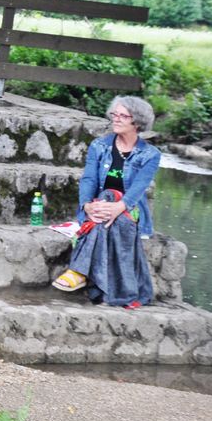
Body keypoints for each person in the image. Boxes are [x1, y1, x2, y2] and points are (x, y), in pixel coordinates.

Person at [52, 96, 161, 309]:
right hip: (98, 207)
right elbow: (89, 179)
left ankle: (79, 272)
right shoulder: (99, 145)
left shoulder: (151, 154)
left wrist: (118, 207)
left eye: (123, 116)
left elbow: (139, 188)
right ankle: (101, 286)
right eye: (114, 114)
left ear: (137, 122)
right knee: (106, 201)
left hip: (130, 209)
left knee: (111, 210)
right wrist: (86, 205)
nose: (116, 119)